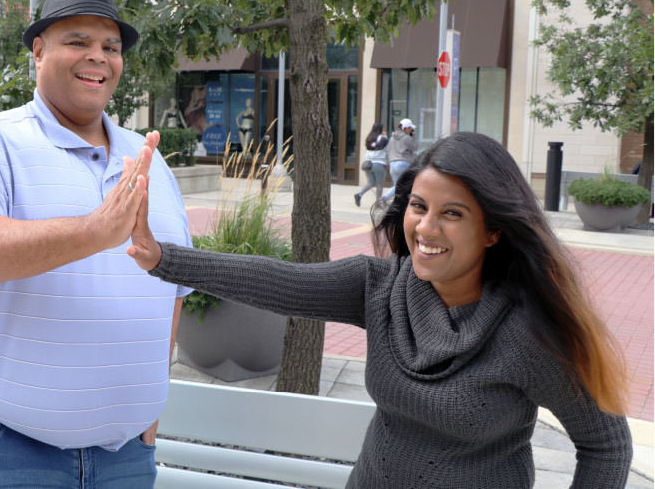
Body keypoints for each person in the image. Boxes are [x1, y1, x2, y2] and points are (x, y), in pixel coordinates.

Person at [128, 132, 634, 489]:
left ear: (494, 230)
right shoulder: (382, 288)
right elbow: (277, 281)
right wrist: (164, 258)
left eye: (452, 214)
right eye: (418, 206)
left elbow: (606, 445)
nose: (426, 228)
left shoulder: (530, 335)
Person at [0, 0, 192, 488]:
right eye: (78, 42)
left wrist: (146, 424)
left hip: (125, 459)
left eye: (110, 47)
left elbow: (171, 290)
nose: (99, 57)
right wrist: (95, 230)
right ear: (39, 51)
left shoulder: (148, 159)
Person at [354, 122, 389, 206]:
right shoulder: (383, 138)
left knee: (371, 182)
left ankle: (359, 194)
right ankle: (378, 202)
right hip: (379, 163)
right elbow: (387, 149)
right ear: (381, 129)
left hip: (368, 164)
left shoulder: (369, 138)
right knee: (379, 184)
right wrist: (385, 136)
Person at [383, 117, 418, 200]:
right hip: (403, 162)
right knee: (403, 186)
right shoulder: (407, 138)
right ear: (407, 128)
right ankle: (384, 199)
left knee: (398, 187)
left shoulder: (392, 138)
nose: (411, 130)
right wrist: (413, 136)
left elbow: (388, 149)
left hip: (392, 164)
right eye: (411, 128)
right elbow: (415, 147)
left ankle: (396, 204)